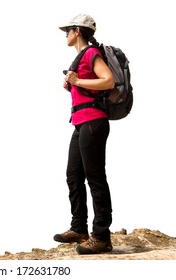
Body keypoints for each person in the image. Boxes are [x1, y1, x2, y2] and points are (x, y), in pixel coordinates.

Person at [54, 14, 115, 254]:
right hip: (80, 123)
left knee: (95, 178)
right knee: (73, 175)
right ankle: (79, 228)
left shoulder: (90, 54)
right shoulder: (78, 58)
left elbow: (108, 81)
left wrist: (78, 82)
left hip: (93, 122)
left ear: (77, 31)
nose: (65, 35)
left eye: (67, 30)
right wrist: (74, 83)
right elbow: (88, 84)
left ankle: (101, 237)